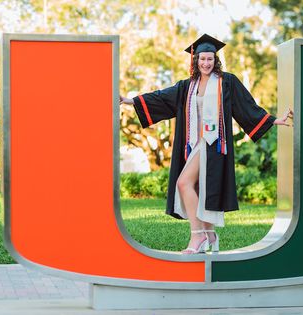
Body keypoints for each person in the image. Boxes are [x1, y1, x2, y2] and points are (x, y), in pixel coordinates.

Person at [120, 34, 293, 254]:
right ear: (196, 60)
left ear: (215, 60)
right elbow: (162, 98)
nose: (206, 63)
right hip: (193, 143)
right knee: (198, 188)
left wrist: (273, 119)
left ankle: (197, 236)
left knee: (184, 183)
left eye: (210, 59)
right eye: (202, 59)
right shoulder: (187, 86)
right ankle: (210, 235)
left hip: (213, 143)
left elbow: (247, 105)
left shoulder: (226, 82)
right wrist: (130, 100)